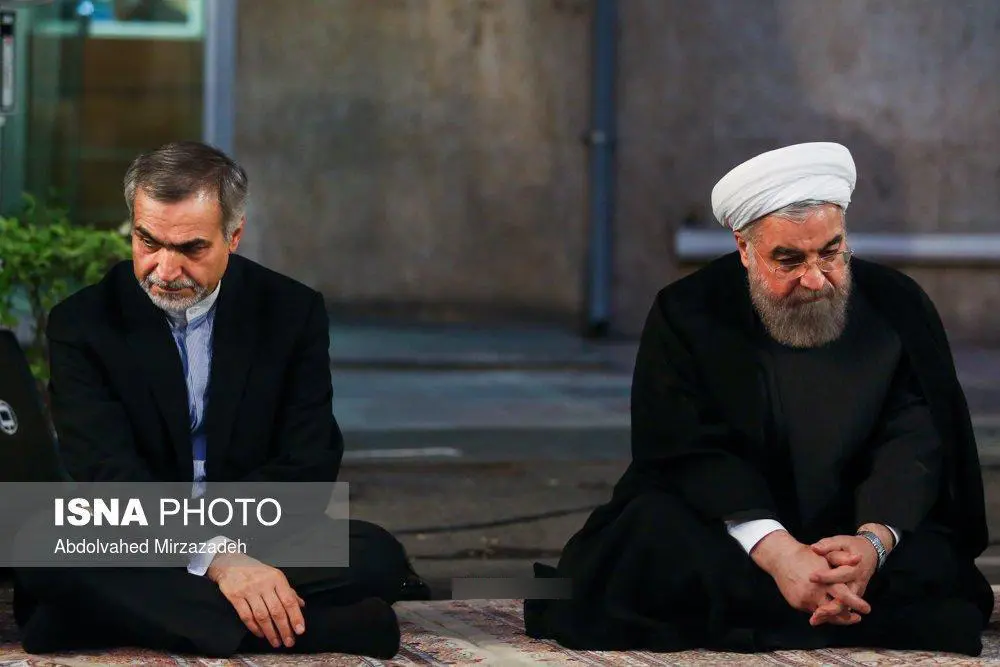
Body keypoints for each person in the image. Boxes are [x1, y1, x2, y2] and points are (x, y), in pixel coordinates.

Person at [524, 142, 994, 656]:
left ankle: (824, 592)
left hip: (853, 531)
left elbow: (917, 436)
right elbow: (686, 448)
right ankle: (820, 603)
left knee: (934, 565)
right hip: (736, 531)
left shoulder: (898, 303)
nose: (815, 278)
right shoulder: (689, 312)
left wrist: (872, 544)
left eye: (831, 252)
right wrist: (779, 553)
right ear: (745, 249)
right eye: (788, 259)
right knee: (648, 541)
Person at [14, 141, 429, 658]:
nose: (165, 269)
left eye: (190, 249)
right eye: (148, 242)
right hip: (135, 527)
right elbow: (106, 471)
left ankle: (109, 617)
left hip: (257, 524)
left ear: (234, 236)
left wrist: (230, 546)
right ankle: (324, 630)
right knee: (40, 545)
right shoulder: (82, 322)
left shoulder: (291, 311)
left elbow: (309, 460)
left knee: (375, 556)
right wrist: (216, 560)